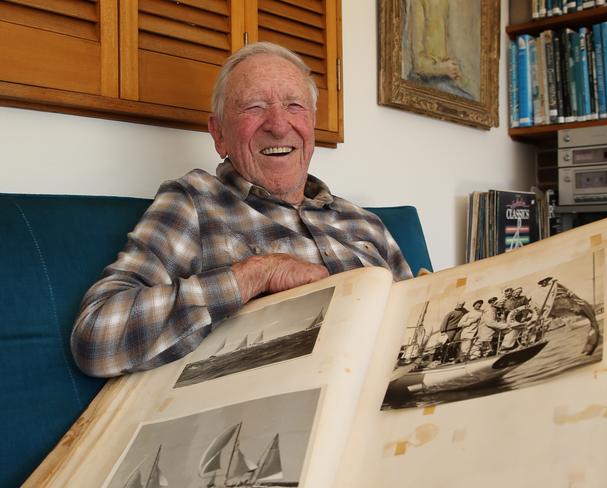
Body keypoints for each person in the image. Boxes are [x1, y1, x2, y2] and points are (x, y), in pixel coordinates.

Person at [71, 42, 412, 377]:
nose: (279, 125)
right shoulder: (194, 203)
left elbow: (414, 317)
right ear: (219, 134)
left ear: (311, 125)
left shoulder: (365, 223)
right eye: (254, 107)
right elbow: (96, 337)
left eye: (294, 105)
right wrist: (257, 274)